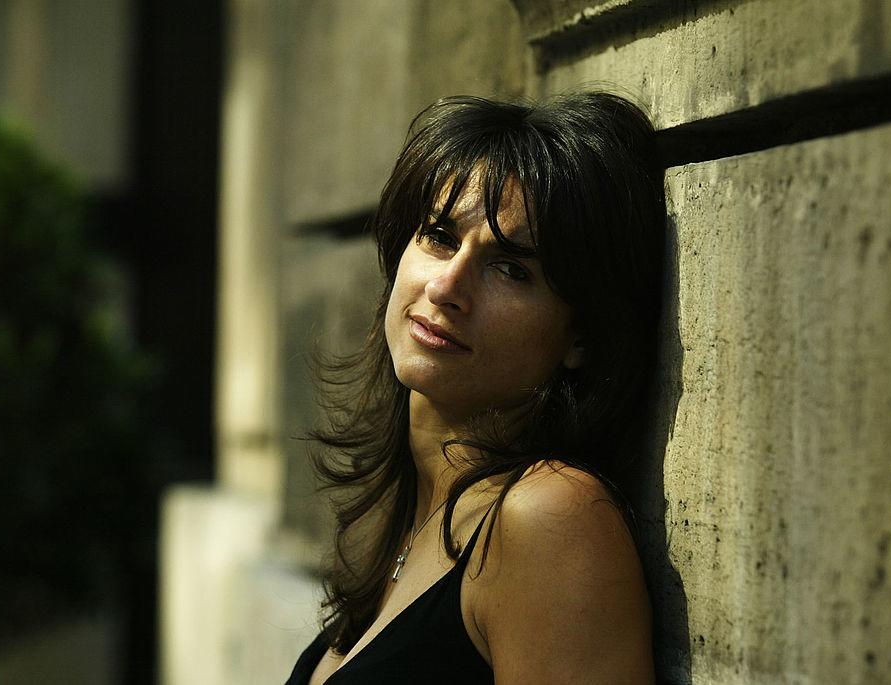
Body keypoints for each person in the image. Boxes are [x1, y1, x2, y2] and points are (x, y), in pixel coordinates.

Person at [285, 91, 666, 684]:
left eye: (511, 269)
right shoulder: (410, 519)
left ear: (582, 337)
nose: (447, 288)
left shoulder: (548, 517)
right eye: (439, 236)